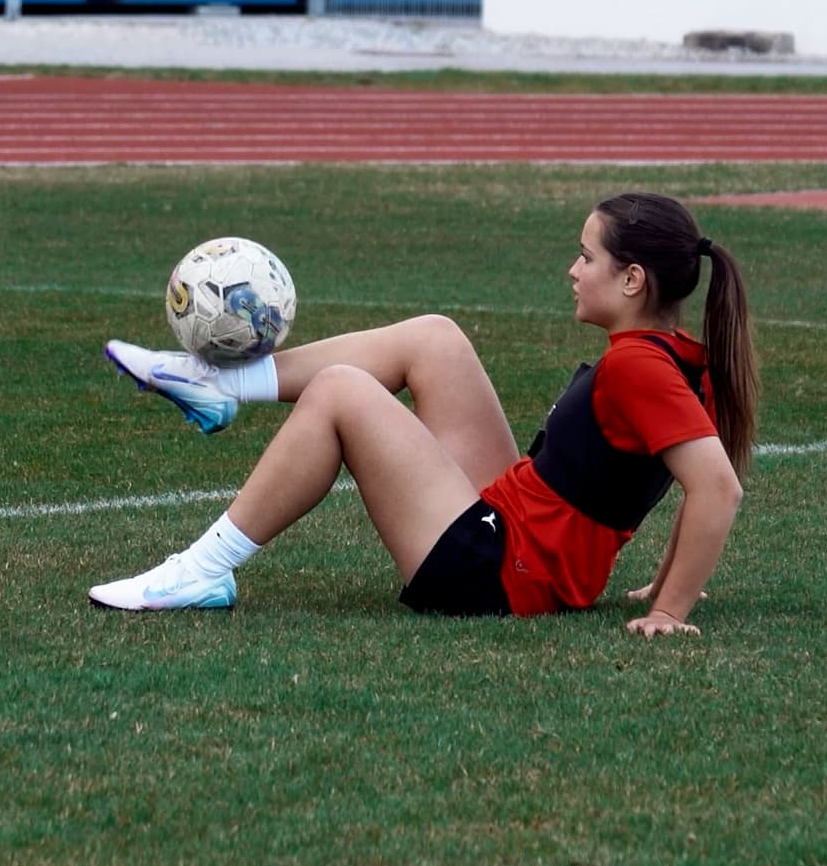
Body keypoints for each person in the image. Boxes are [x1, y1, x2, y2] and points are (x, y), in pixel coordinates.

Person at [88, 191, 757, 637]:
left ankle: (202, 568)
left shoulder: (640, 367)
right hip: (511, 527)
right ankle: (215, 382)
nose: (573, 270)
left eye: (587, 257)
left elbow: (715, 487)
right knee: (434, 338)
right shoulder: (672, 354)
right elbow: (676, 473)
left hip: (497, 574)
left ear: (633, 280)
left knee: (342, 392)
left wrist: (671, 608)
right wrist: (663, 584)